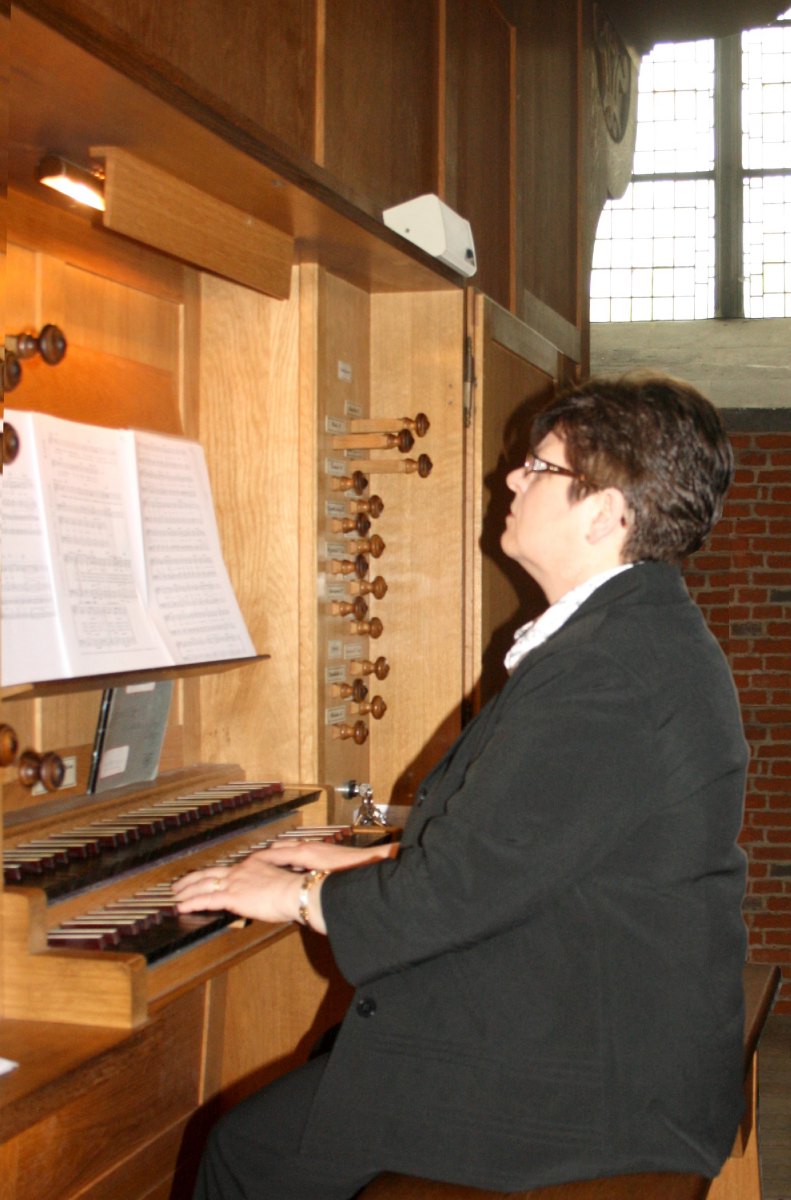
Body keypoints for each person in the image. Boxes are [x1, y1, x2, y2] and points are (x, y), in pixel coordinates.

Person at [174, 373, 748, 1200]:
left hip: (595, 1079)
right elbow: (533, 845)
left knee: (247, 1153)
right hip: (597, 1018)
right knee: (322, 1073)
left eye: (540, 467)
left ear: (606, 513)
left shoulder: (607, 669)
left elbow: (465, 887)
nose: (511, 479)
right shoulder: (628, 635)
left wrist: (298, 896)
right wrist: (354, 859)